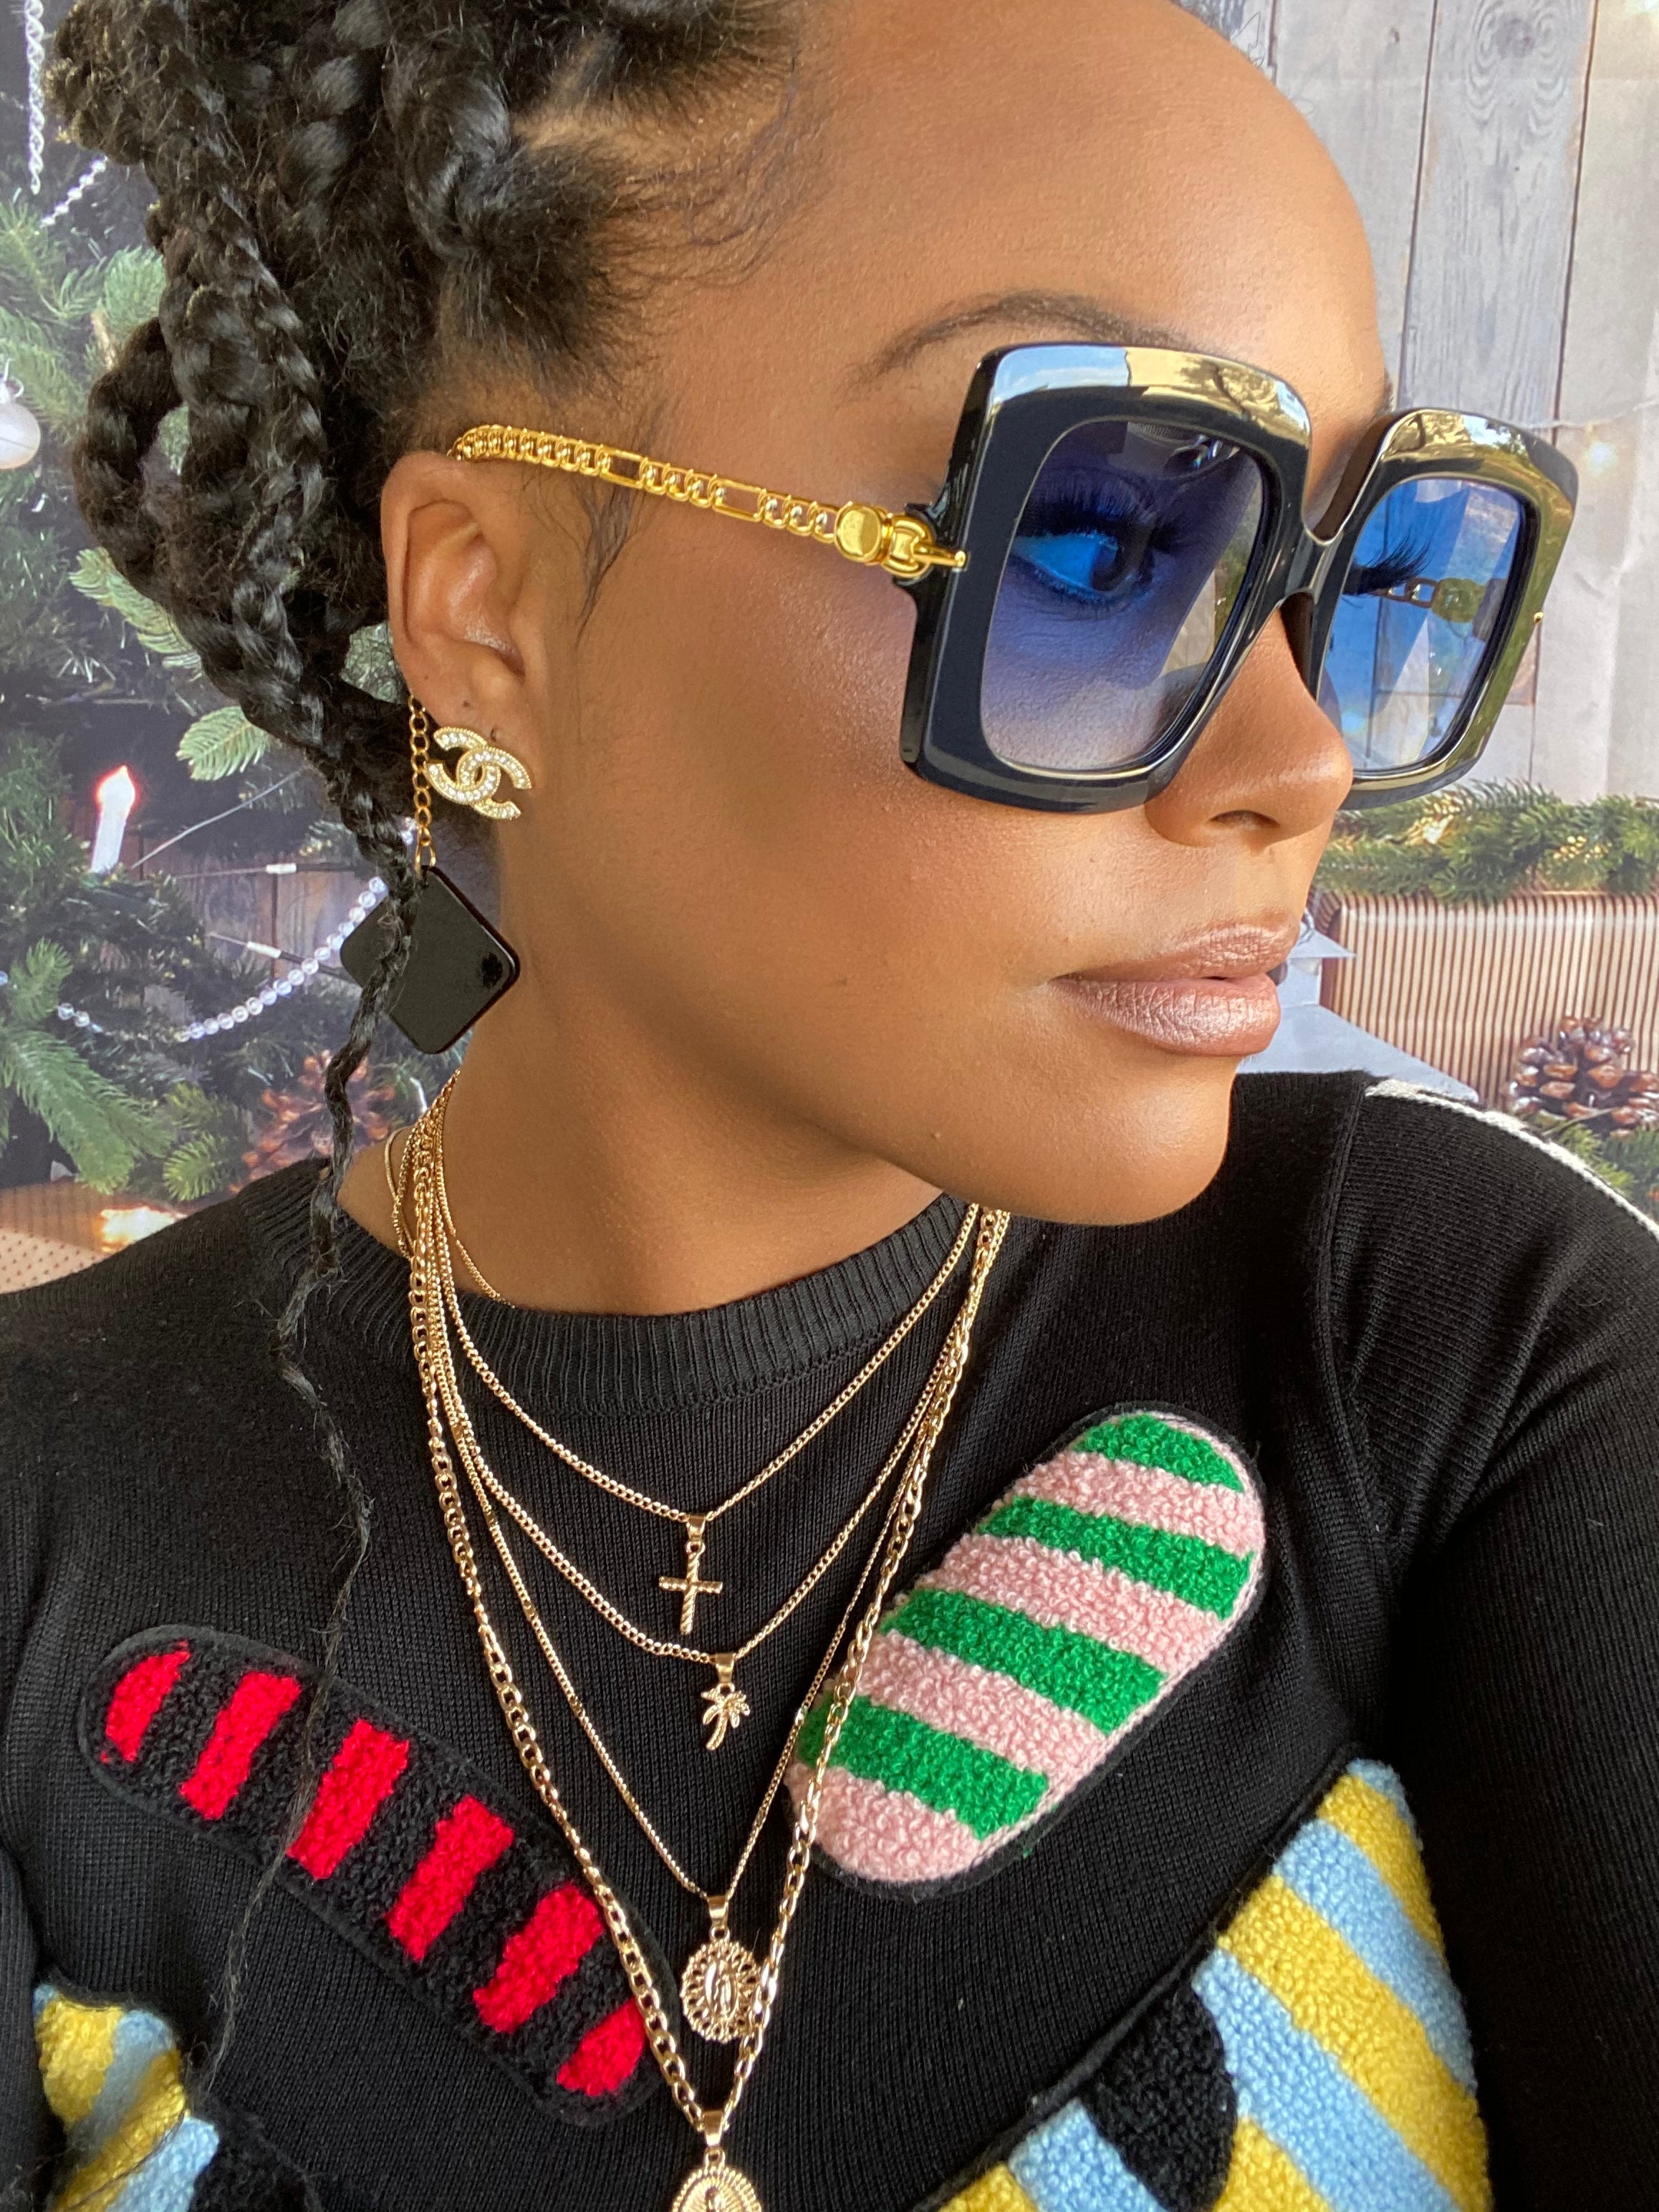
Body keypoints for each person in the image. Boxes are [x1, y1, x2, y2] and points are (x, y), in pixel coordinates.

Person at [2, 1, 1654, 2207]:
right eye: (1097, 543)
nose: (1299, 761)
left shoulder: (1448, 1338)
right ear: (486, 616)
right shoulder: (42, 1511)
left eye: (1360, 568)